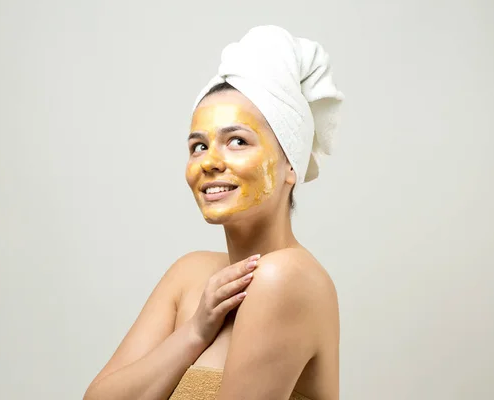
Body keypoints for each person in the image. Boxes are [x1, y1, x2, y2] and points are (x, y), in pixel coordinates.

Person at [84, 25, 344, 400]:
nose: (209, 162)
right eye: (198, 146)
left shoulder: (286, 278)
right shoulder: (190, 275)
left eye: (237, 141)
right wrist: (194, 331)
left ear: (292, 165)